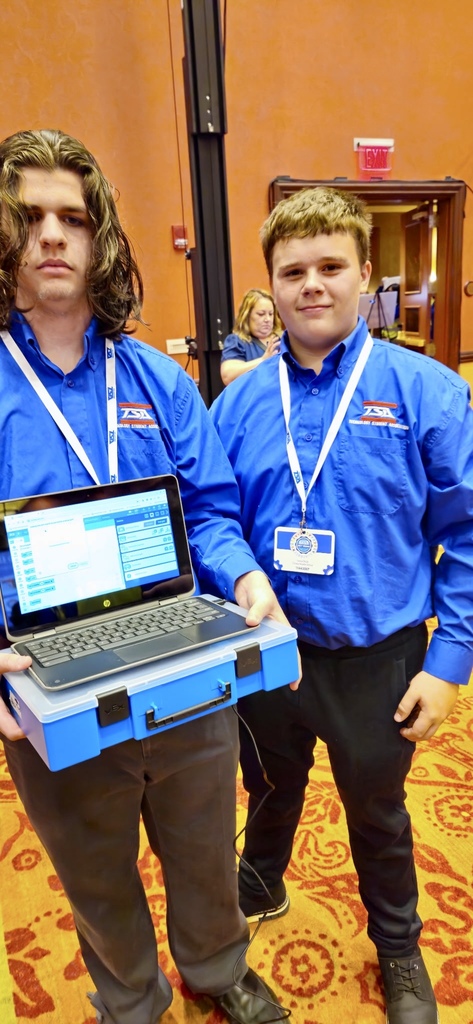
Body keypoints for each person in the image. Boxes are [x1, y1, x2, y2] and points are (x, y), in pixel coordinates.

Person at [0, 128, 289, 1024]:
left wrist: (241, 577)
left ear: (102, 240)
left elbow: (209, 509)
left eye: (74, 218)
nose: (53, 236)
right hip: (45, 671)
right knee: (95, 867)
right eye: (30, 217)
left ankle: (215, 968)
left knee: (204, 848)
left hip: (182, 658)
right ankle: (131, 999)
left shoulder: (156, 378)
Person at [210, 186, 473, 1024]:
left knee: (377, 811)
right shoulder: (238, 403)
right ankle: (264, 876)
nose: (311, 284)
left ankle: (397, 948)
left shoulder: (426, 391)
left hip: (377, 660)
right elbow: (214, 518)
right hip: (269, 653)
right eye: (293, 271)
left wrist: (447, 663)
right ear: (271, 288)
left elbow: (466, 534)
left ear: (365, 275)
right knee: (271, 784)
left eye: (330, 266)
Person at [220, 287, 282, 385]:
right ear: (247, 315)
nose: (268, 319)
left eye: (271, 314)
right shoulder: (237, 342)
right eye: (261, 314)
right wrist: (263, 361)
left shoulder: (283, 340)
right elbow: (228, 376)